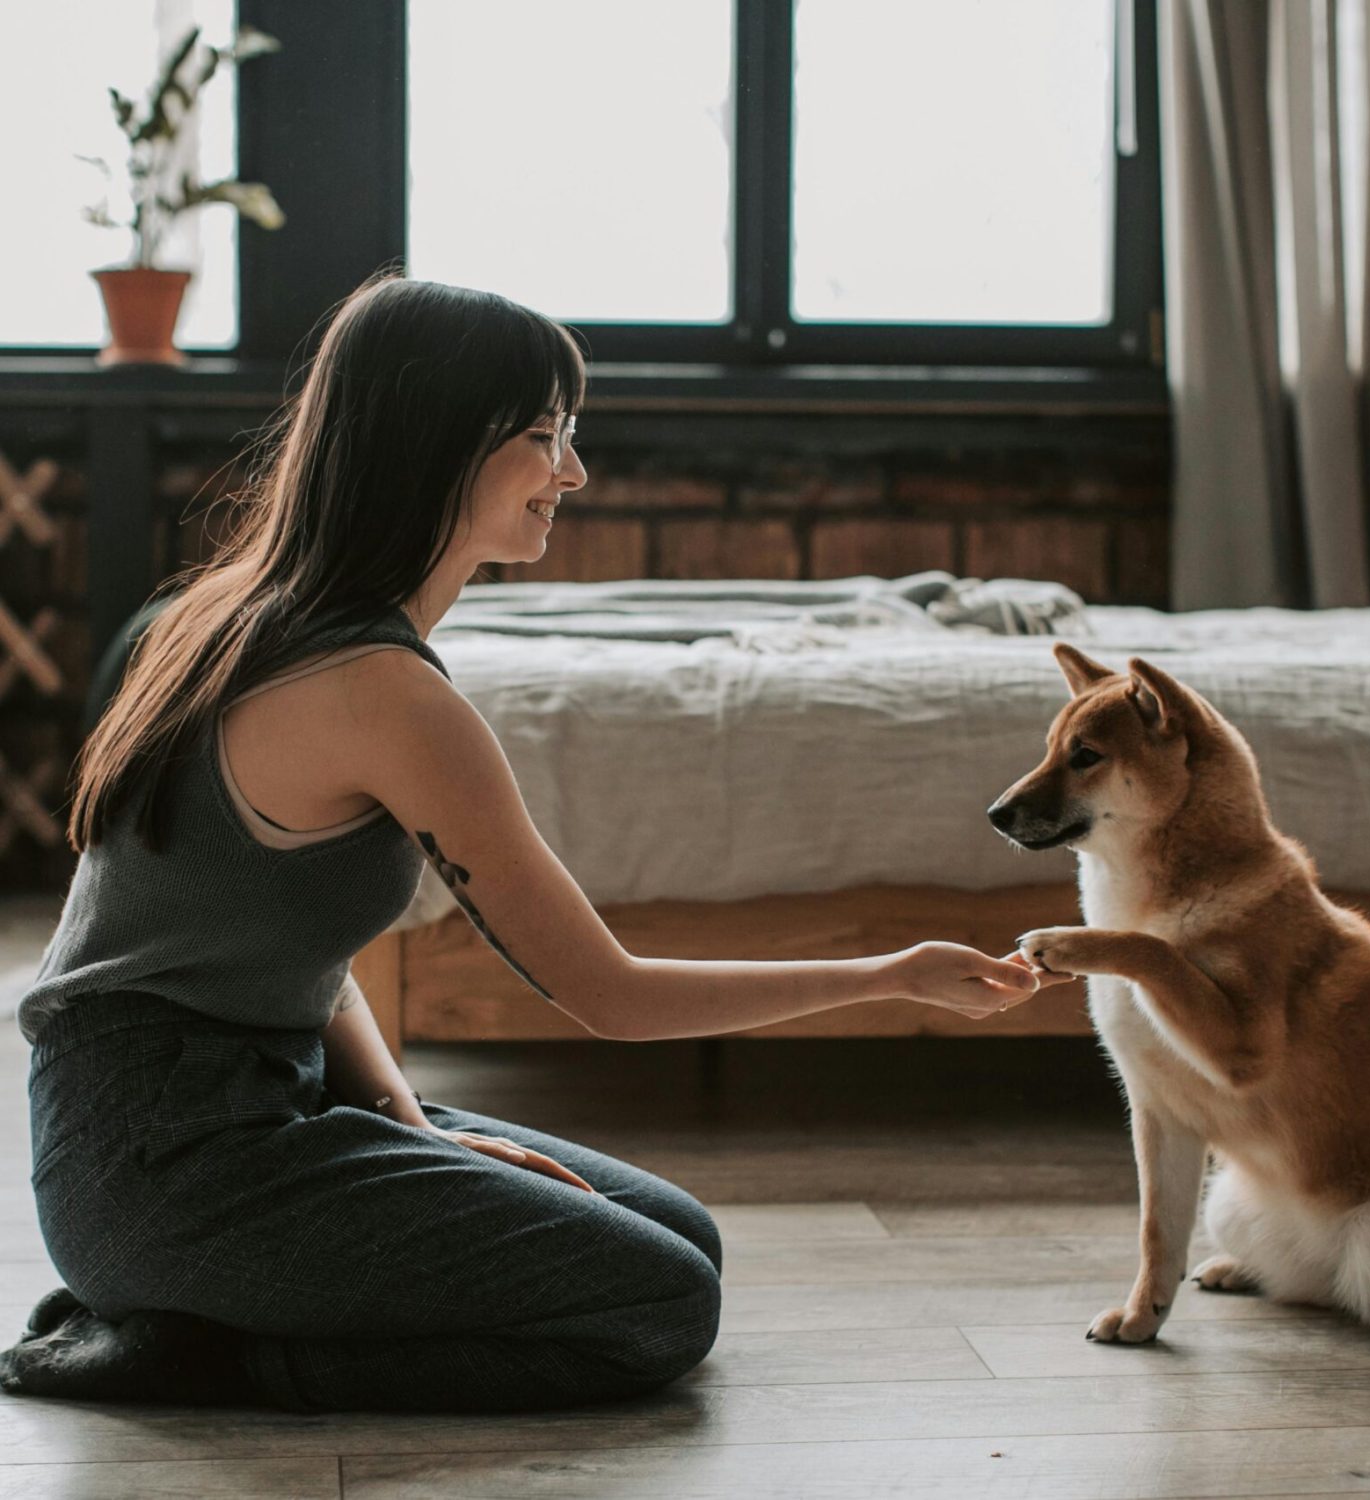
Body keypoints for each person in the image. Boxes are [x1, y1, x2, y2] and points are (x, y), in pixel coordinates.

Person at [0, 274, 1068, 1415]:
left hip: (236, 1104)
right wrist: (887, 976)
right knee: (656, 1304)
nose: (574, 473)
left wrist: (408, 1126)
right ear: (437, 447)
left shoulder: (261, 613)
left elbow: (286, 947)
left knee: (677, 1235)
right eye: (542, 436)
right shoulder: (378, 690)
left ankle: (214, 1303)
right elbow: (608, 995)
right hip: (169, 1164)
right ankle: (190, 1352)